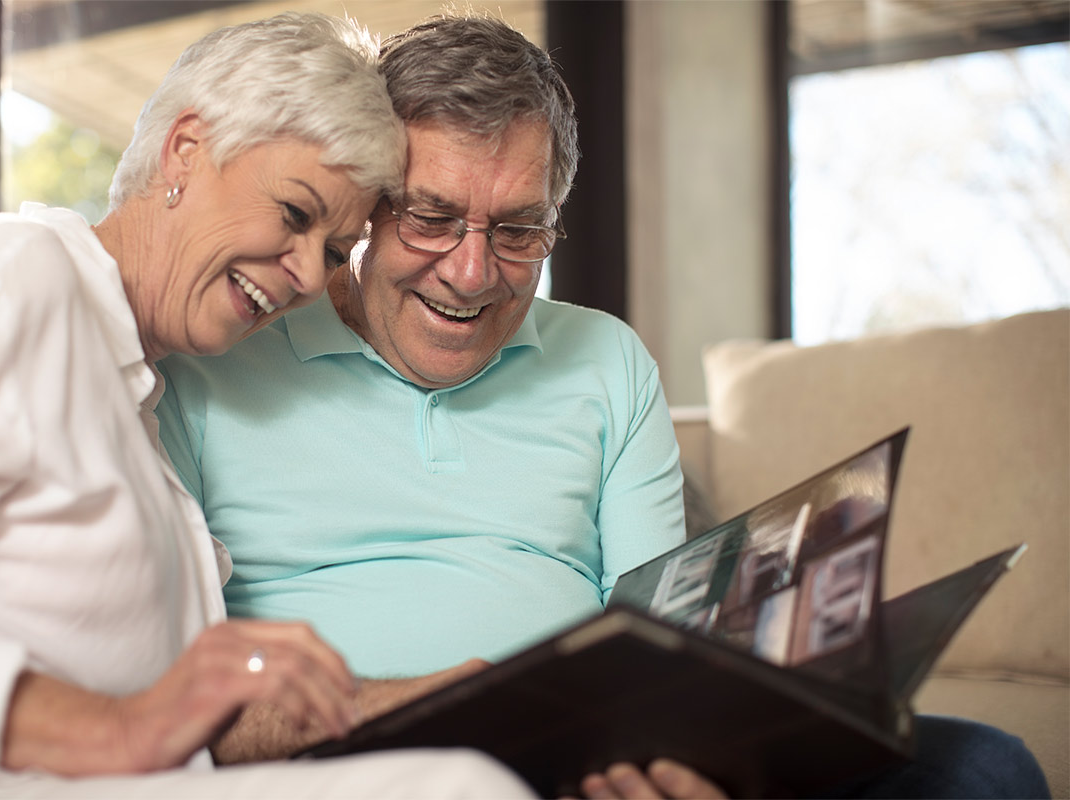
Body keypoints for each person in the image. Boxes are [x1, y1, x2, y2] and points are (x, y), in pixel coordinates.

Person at [154, 12, 1051, 800]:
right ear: (364, 209)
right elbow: (171, 699)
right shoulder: (216, 359)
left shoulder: (607, 360)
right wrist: (416, 703)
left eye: (518, 230)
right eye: (430, 218)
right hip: (357, 766)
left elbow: (665, 635)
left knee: (980, 769)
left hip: (598, 763)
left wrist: (708, 744)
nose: (472, 274)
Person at [0, 13, 535, 799]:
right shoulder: (9, 277)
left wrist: (408, 702)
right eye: (293, 213)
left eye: (331, 250)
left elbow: (193, 730)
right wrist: (117, 731)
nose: (302, 275)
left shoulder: (138, 393)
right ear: (184, 149)